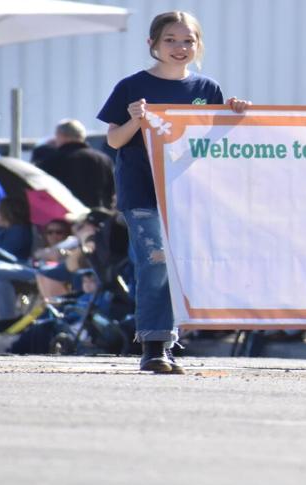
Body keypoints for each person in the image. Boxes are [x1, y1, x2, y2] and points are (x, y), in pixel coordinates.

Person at [99, 10, 251, 373]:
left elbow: (215, 140)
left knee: (179, 265)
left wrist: (235, 113)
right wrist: (136, 119)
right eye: (170, 40)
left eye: (188, 40)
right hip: (142, 190)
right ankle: (154, 347)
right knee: (156, 263)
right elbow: (114, 140)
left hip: (188, 191)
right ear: (152, 43)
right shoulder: (131, 86)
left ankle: (168, 343)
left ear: (199, 45)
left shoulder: (207, 89)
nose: (179, 47)